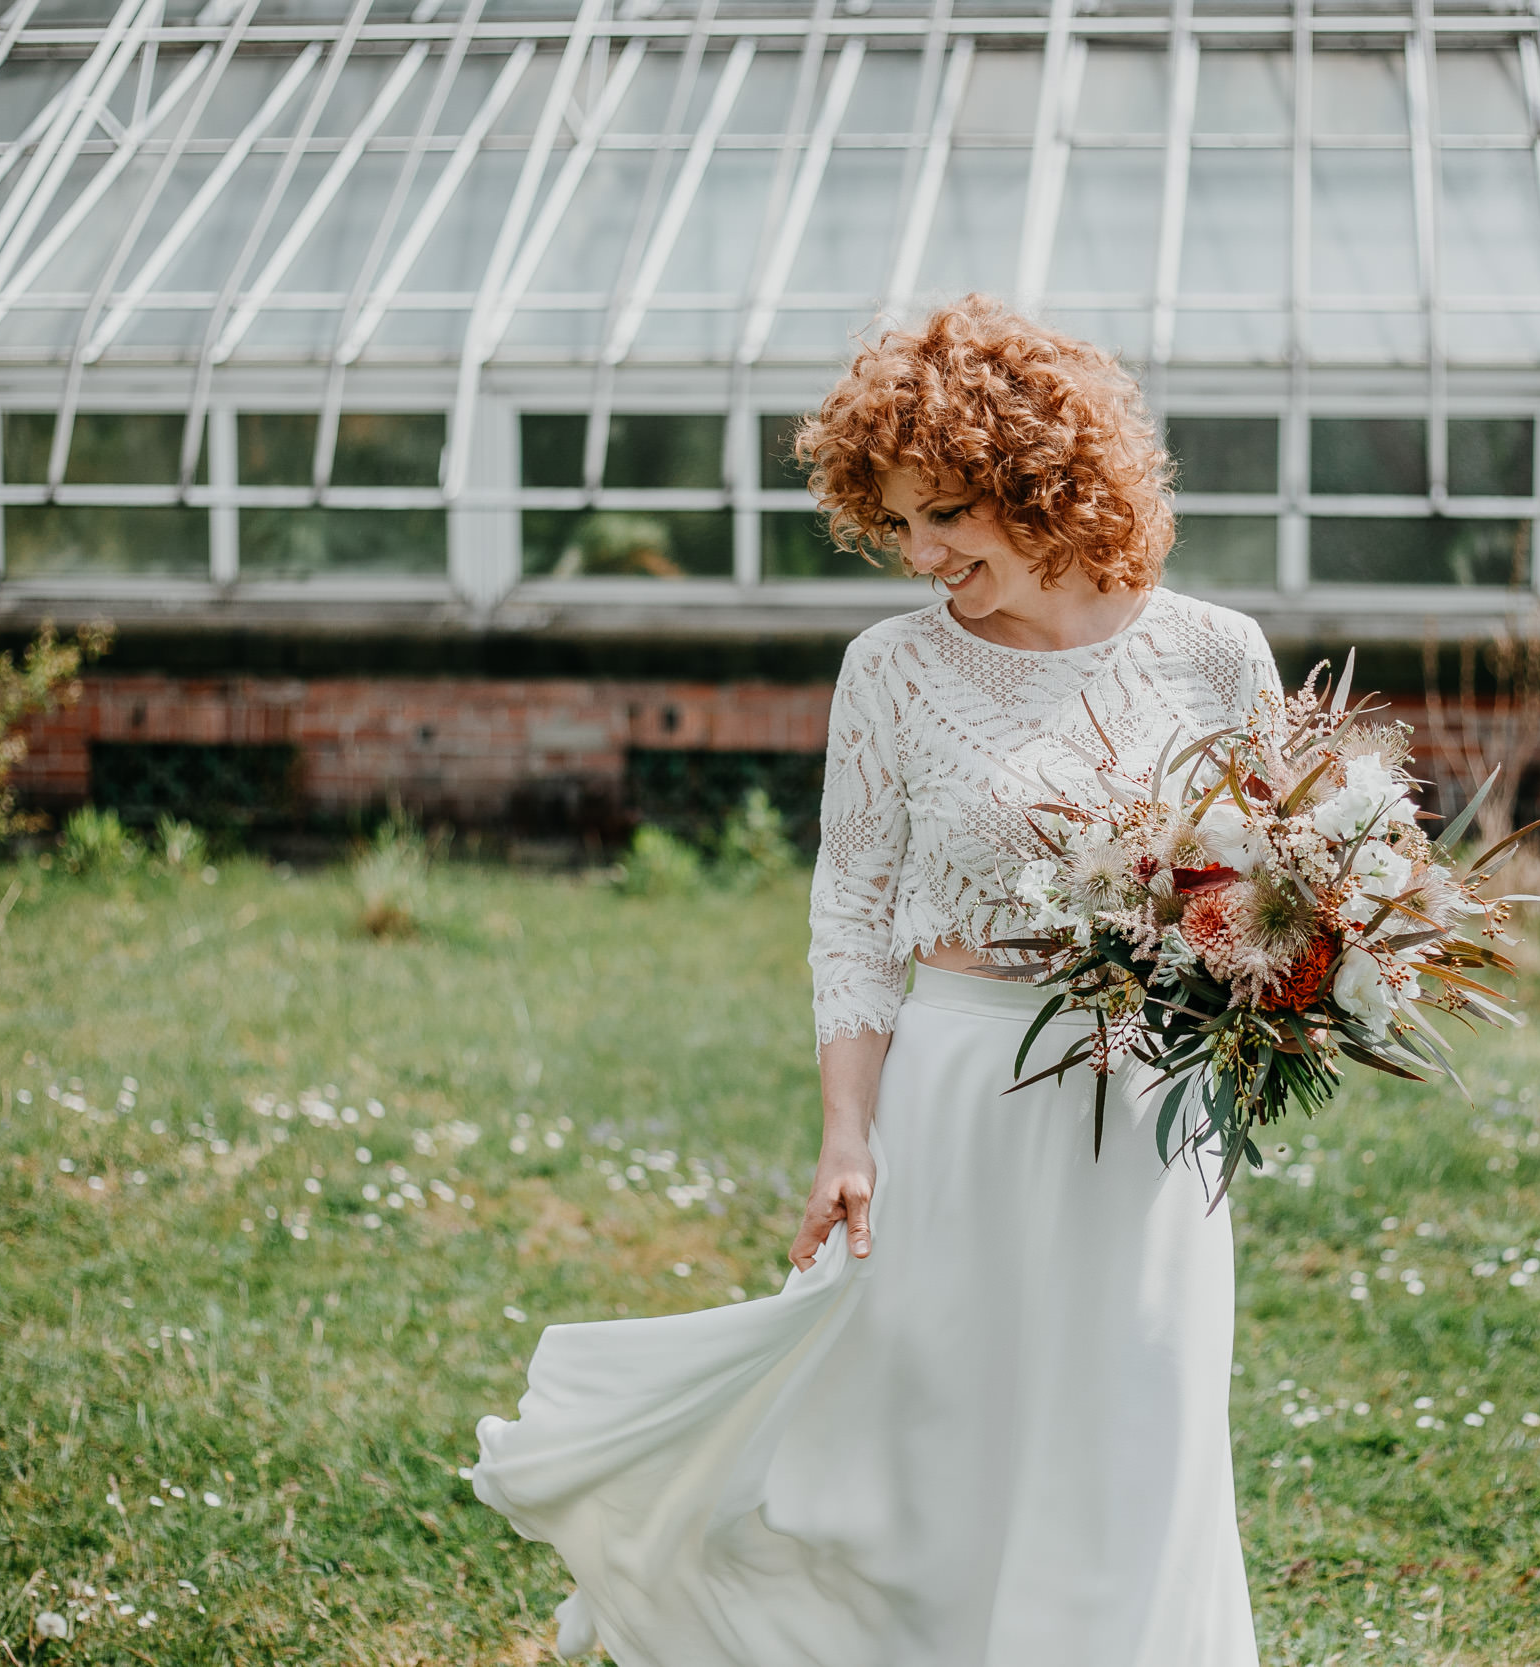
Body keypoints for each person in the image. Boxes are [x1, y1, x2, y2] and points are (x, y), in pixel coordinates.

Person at [473, 296, 1280, 1666]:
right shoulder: (894, 671)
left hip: (1147, 1116)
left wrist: (1276, 979)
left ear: (1050, 484)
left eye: (951, 512)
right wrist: (848, 1130)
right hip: (959, 1095)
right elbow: (848, 906)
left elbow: (1272, 889)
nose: (920, 554)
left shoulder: (1216, 654)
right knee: (933, 1450)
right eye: (896, 523)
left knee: (1135, 1431)